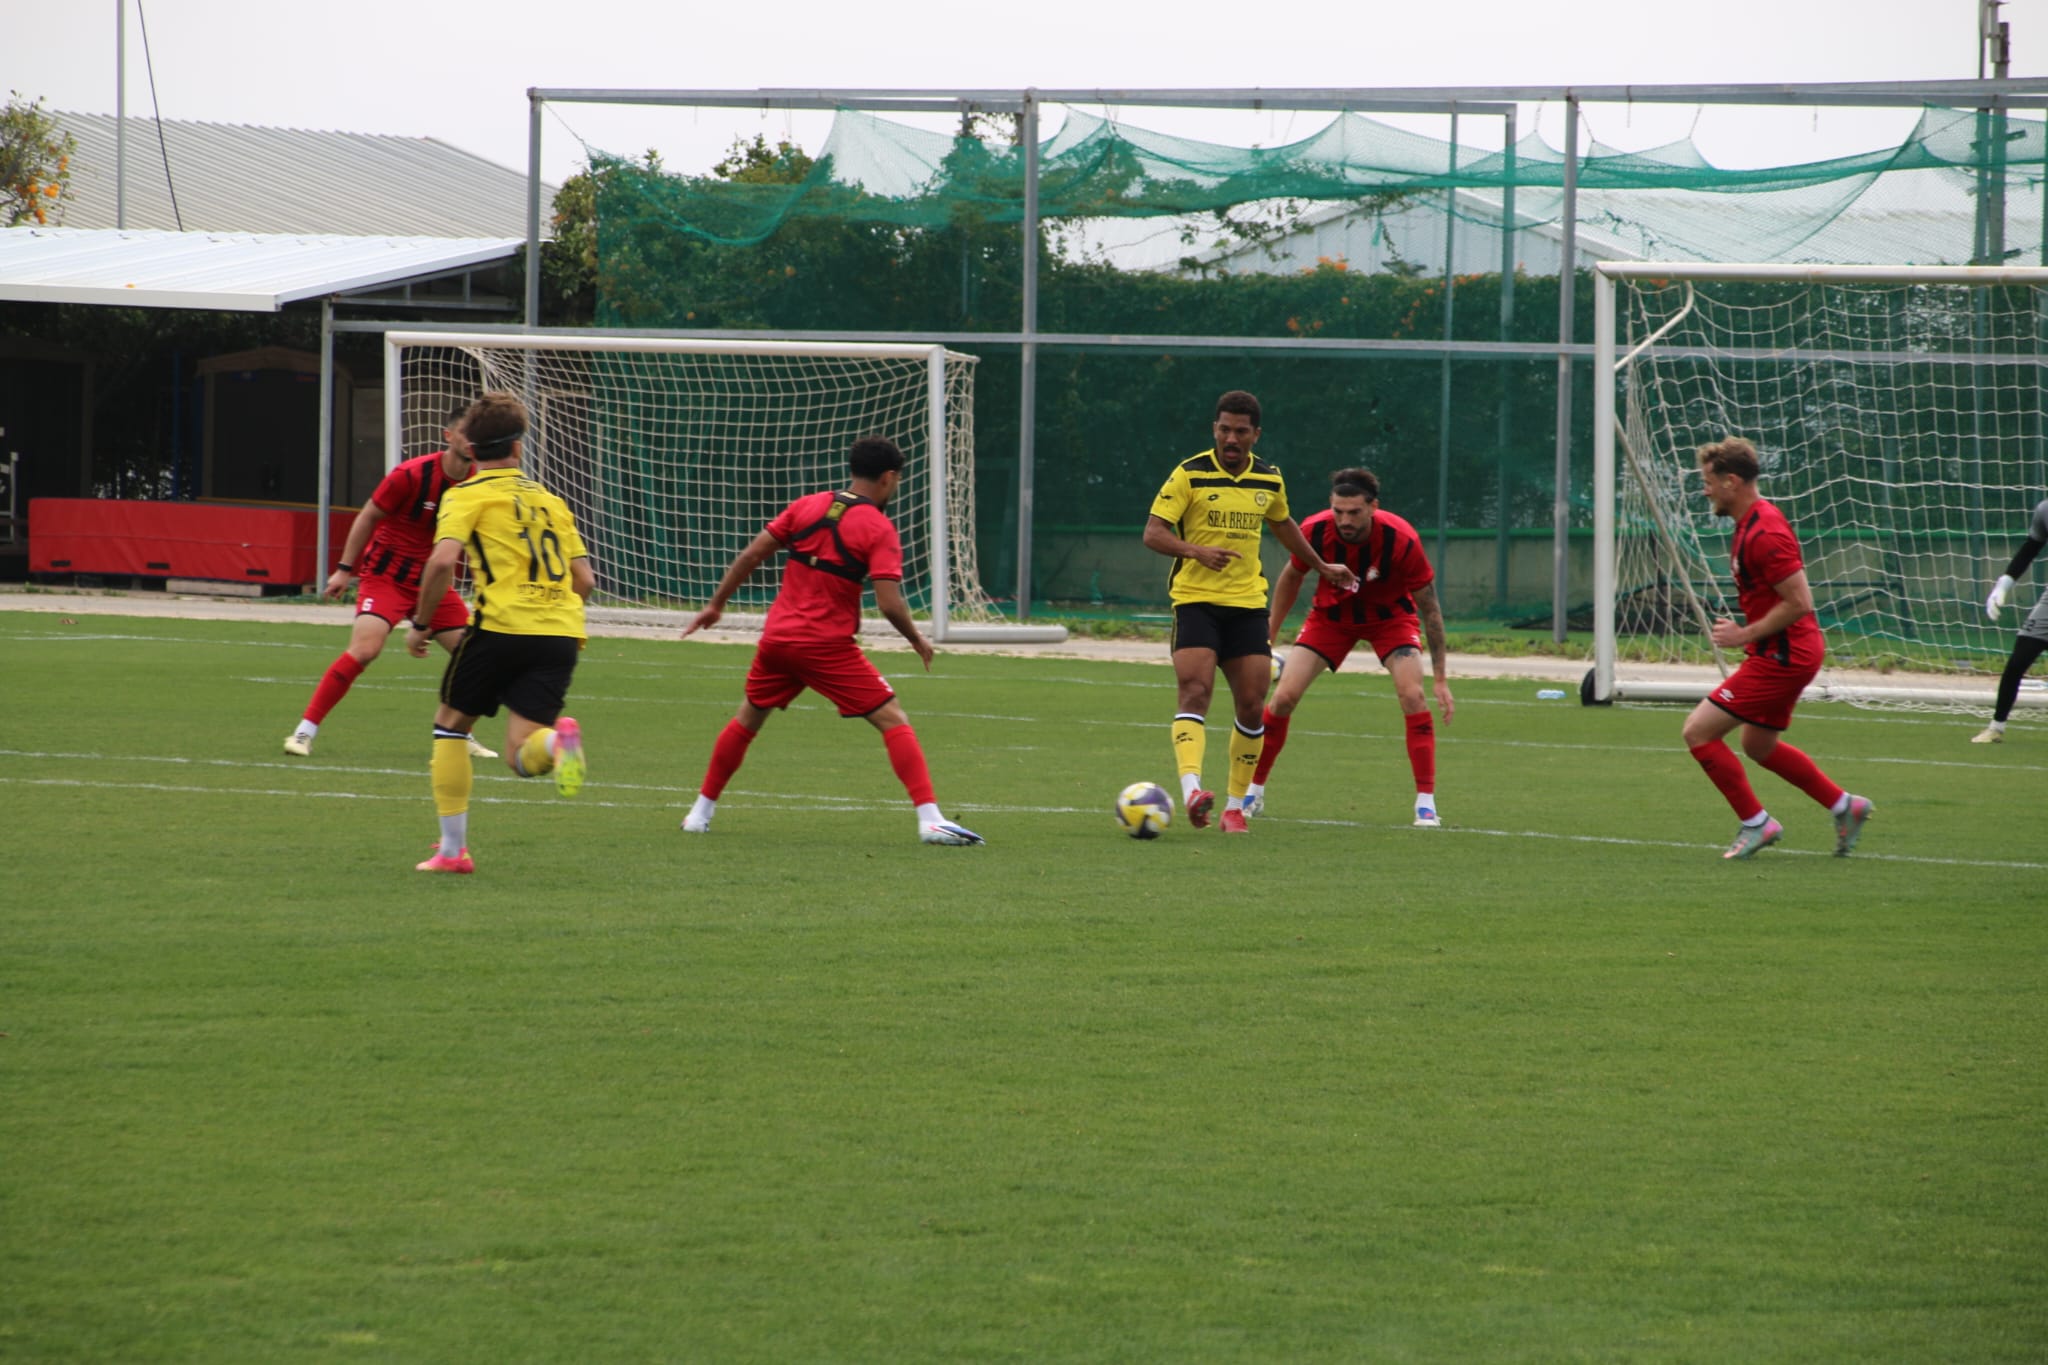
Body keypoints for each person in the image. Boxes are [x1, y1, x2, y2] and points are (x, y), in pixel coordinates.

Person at [677, 435, 983, 847]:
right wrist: (916, 638)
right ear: (889, 478)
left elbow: (751, 555)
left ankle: (699, 813)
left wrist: (716, 606)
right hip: (824, 646)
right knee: (893, 718)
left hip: (778, 640)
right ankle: (930, 819)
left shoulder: (807, 505)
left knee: (747, 719)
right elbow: (890, 603)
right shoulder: (878, 526)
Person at [1141, 390, 1357, 835]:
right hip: (1196, 600)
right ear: (1214, 429)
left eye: (1241, 431)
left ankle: (1235, 807)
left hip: (1246, 606)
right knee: (1195, 690)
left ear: (1256, 434)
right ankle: (1192, 792)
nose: (1231, 438)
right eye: (1224, 429)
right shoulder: (1190, 474)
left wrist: (1320, 566)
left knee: (1253, 705)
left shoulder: (1269, 480)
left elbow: (1282, 523)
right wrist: (1195, 550)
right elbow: (1153, 533)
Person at [405, 392, 594, 874]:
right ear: (519, 447)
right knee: (519, 755)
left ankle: (452, 853)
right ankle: (556, 744)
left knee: (450, 724)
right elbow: (585, 580)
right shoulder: (552, 501)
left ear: (471, 449)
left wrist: (423, 623)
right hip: (560, 632)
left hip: (500, 627)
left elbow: (443, 561)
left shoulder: (466, 495)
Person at [1681, 436, 1872, 859]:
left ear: (1732, 481)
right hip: (1783, 652)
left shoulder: (1765, 531)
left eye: (1708, 481)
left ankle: (1757, 823)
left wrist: (1744, 634)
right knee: (1757, 746)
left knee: (1698, 732)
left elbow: (1800, 602)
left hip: (1785, 655)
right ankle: (1846, 806)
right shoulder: (1749, 523)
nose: (1705, 489)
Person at [1244, 467, 1454, 828]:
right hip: (1331, 618)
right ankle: (1253, 792)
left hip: (1392, 620)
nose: (1344, 520)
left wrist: (1440, 678)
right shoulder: (1314, 530)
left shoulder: (1402, 539)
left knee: (1413, 696)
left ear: (1373, 507)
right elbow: (1291, 578)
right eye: (1338, 511)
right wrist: (1266, 641)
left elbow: (1430, 609)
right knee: (1281, 699)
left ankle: (1426, 803)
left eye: (1354, 512)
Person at [284, 404, 497, 759]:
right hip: (387, 577)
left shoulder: (478, 485)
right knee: (366, 649)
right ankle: (304, 732)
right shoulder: (411, 475)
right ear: (449, 436)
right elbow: (369, 515)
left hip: (432, 584)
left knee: (473, 656)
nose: (472, 441)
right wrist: (344, 568)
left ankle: (459, 733)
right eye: (466, 433)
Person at [1972, 496, 2048, 743]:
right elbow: (2029, 549)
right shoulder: (2045, 510)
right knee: (2018, 660)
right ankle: (1996, 727)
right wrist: (2003, 585)